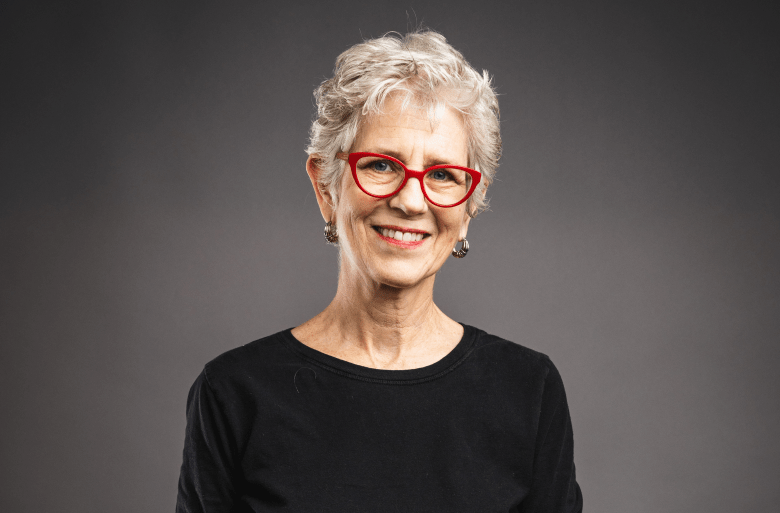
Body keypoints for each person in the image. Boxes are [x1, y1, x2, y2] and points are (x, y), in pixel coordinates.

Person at [176, 30, 583, 513]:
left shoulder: (528, 389)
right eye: (382, 166)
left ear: (469, 206)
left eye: (443, 175)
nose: (411, 201)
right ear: (326, 187)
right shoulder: (233, 393)